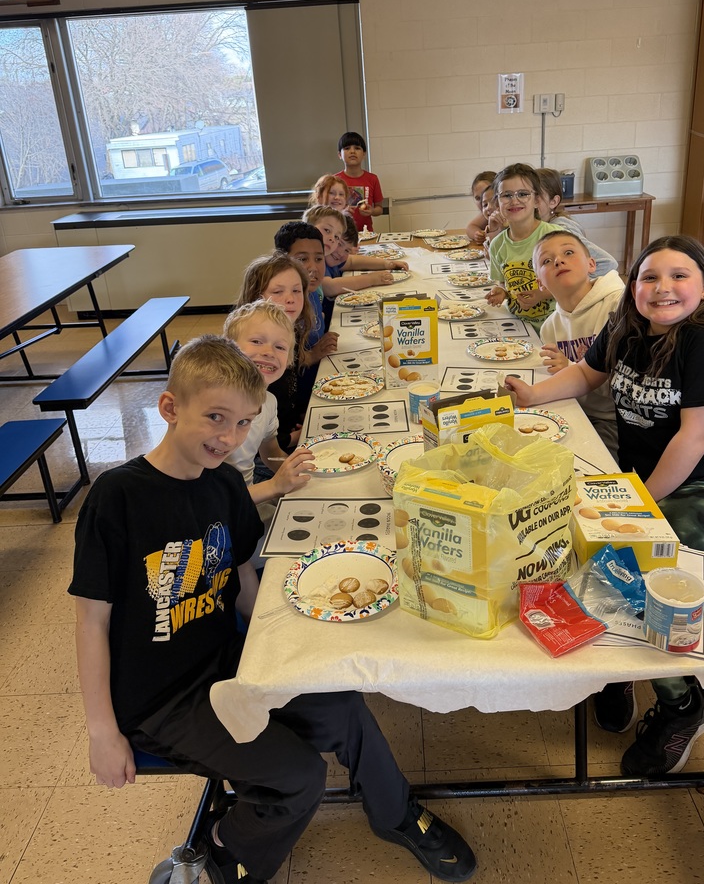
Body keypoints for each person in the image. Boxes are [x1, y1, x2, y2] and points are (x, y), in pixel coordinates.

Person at [69, 336, 477, 884]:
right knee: (300, 777)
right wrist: (101, 730)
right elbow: (91, 620)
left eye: (243, 423)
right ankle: (224, 852)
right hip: (161, 702)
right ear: (170, 407)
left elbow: (243, 588)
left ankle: (396, 813)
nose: (228, 437)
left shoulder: (226, 488)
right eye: (215, 417)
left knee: (343, 705)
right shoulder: (117, 497)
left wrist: (295, 654)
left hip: (228, 666)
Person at [501, 235, 704, 777]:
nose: (662, 287)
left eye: (679, 276)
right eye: (649, 277)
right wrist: (532, 394)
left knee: (637, 579)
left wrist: (642, 503)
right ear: (634, 287)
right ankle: (617, 671)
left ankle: (681, 705)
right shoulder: (629, 327)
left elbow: (693, 439)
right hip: (645, 482)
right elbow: (587, 374)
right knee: (575, 552)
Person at [533, 230, 624, 460]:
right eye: (546, 260)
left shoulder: (617, 306)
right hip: (574, 412)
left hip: (615, 420)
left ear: (592, 264)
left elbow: (626, 387)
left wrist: (571, 368)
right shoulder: (549, 328)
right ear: (540, 283)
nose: (558, 260)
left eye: (569, 252)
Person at [222, 300, 315, 514]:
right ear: (227, 346)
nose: (268, 352)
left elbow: (270, 452)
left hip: (251, 497)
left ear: (290, 360)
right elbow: (211, 498)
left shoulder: (269, 401)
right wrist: (274, 487)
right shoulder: (217, 411)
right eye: (256, 341)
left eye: (280, 347)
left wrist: (303, 472)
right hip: (223, 511)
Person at [235, 251, 313, 454]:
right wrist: (297, 436)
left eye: (297, 291)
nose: (290, 299)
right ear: (256, 298)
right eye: (278, 292)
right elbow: (259, 441)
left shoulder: (289, 334)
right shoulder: (254, 359)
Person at [273, 221, 339, 414]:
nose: (313, 267)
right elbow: (276, 362)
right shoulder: (285, 306)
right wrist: (311, 356)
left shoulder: (312, 292)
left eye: (319, 259)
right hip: (297, 406)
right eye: (302, 259)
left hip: (319, 380)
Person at [484, 163, 560, 329]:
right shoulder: (497, 244)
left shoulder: (555, 237)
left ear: (537, 200)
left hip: (555, 327)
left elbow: (573, 283)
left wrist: (541, 294)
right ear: (497, 203)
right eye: (507, 195)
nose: (514, 201)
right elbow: (504, 283)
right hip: (519, 327)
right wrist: (502, 292)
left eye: (523, 194)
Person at [536, 168, 619, 278]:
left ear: (553, 201)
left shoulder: (559, 229)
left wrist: (577, 284)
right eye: (525, 195)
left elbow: (608, 263)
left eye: (537, 197)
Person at [336, 131, 383, 232]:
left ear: (364, 154)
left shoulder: (372, 179)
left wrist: (372, 211)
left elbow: (379, 208)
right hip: (340, 234)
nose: (352, 151)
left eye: (357, 148)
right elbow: (327, 210)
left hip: (366, 233)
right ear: (340, 154)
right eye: (347, 148)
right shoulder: (334, 180)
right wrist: (341, 212)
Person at [466, 170, 497, 244]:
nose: (482, 202)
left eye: (489, 197)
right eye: (478, 198)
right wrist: (476, 234)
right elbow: (470, 227)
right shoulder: (487, 213)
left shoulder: (508, 214)